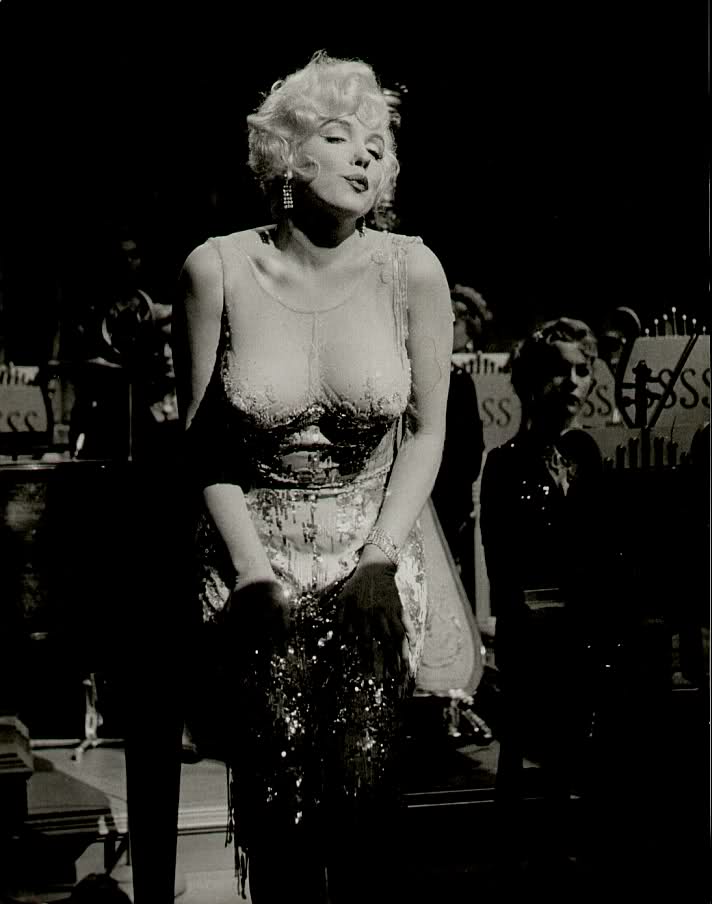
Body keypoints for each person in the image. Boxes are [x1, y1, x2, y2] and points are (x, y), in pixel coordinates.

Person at [171, 51, 452, 904]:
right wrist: (251, 572)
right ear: (287, 157)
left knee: (366, 809)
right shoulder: (215, 268)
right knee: (280, 814)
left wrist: (381, 556)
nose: (367, 154)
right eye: (340, 136)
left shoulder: (413, 269)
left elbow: (427, 431)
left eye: (379, 145)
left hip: (374, 555)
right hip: (254, 564)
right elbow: (203, 448)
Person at [479, 318, 611, 885]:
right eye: (560, 371)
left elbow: (603, 549)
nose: (573, 382)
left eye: (582, 370)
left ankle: (572, 850)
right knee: (526, 744)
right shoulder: (505, 463)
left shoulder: (587, 454)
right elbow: (503, 564)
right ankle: (516, 858)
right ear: (531, 381)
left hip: (584, 629)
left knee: (582, 744)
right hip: (532, 635)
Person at [431, 284, 488, 606]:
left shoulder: (460, 381)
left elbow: (470, 452)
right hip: (439, 499)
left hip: (448, 501)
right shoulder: (453, 379)